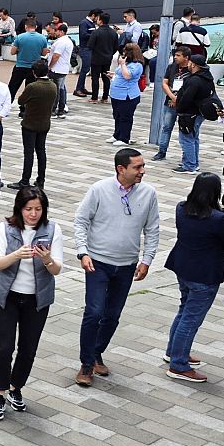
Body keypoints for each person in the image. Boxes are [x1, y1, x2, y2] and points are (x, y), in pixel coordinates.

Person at [73, 148, 160, 387]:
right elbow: (81, 220)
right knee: (94, 312)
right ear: (121, 169)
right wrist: (83, 251)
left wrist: (147, 260)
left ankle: (96, 352)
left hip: (126, 266)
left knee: (112, 316)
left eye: (143, 166)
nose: (143, 171)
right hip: (97, 263)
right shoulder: (99, 189)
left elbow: (152, 229)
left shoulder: (149, 193)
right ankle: (87, 363)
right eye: (137, 167)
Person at [0, 185, 62, 421]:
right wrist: (16, 255)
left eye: (38, 209)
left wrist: (47, 259)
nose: (33, 214)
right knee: (4, 347)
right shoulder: (6, 228)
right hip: (5, 296)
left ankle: (15, 387)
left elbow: (57, 269)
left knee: (28, 348)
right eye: (29, 209)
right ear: (20, 208)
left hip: (36, 300)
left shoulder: (52, 230)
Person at [161, 172, 224, 384]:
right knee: (191, 318)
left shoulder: (181, 208)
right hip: (204, 274)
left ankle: (173, 351)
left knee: (184, 309)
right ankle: (178, 364)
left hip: (183, 267)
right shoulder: (219, 218)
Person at [171, 43, 218, 173]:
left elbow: (186, 98)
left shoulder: (194, 80)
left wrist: (179, 109)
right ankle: (193, 163)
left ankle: (189, 165)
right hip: (199, 113)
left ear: (194, 65)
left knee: (186, 139)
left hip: (189, 113)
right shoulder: (207, 78)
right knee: (194, 138)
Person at [11, 62, 58, 190]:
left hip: (30, 123)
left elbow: (21, 101)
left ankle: (25, 180)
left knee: (29, 153)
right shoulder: (53, 85)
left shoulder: (33, 86)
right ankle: (41, 180)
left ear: (34, 73)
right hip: (44, 123)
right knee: (41, 152)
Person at [108, 41, 145, 144]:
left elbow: (127, 76)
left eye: (125, 52)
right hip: (116, 94)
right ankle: (117, 134)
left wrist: (122, 64)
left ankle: (124, 138)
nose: (123, 54)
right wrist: (113, 75)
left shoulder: (137, 65)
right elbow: (120, 74)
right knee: (117, 115)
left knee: (125, 117)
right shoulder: (126, 63)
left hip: (127, 96)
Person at [87, 10, 123, 102]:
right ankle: (105, 97)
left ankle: (94, 97)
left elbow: (90, 45)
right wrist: (110, 53)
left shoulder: (96, 32)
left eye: (98, 19)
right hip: (107, 58)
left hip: (96, 58)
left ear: (101, 20)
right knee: (106, 77)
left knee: (95, 78)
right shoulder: (113, 33)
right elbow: (116, 47)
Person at [8, 20, 50, 97]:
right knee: (30, 90)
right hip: (34, 68)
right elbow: (44, 53)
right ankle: (26, 106)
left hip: (20, 66)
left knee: (12, 88)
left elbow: (12, 52)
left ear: (25, 27)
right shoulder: (43, 38)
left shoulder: (20, 37)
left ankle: (8, 103)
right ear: (36, 27)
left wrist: (19, 50)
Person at [45, 22, 75, 117]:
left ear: (61, 31)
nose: (55, 32)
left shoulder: (61, 42)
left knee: (56, 91)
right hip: (63, 68)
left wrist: (50, 66)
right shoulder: (67, 41)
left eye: (57, 30)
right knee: (61, 89)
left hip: (57, 69)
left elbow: (56, 56)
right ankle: (61, 109)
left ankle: (53, 110)